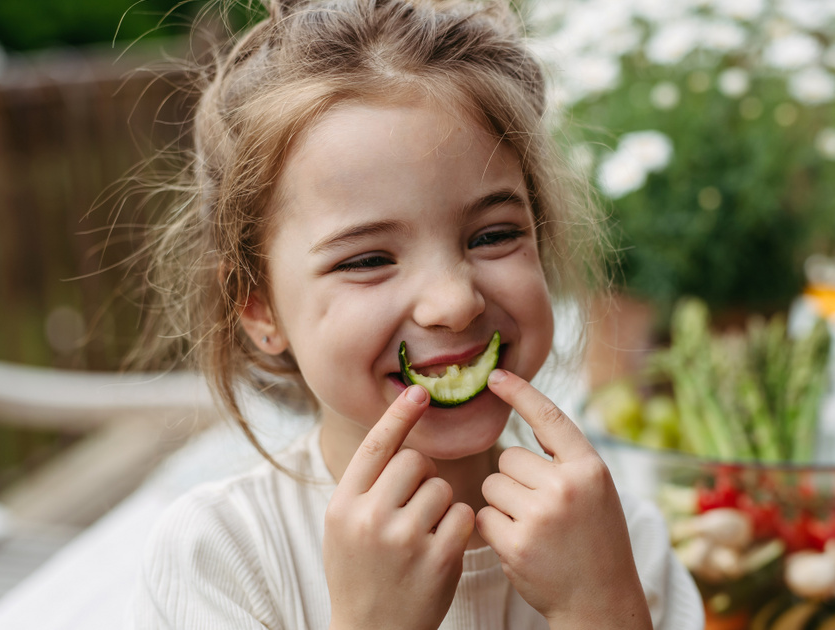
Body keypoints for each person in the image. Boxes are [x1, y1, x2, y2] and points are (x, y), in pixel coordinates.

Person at [128, 0, 703, 627]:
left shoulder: (619, 538)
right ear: (260, 309)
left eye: (492, 235)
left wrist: (597, 605)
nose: (455, 303)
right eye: (368, 259)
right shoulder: (219, 557)